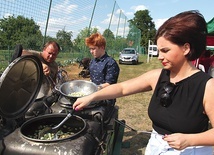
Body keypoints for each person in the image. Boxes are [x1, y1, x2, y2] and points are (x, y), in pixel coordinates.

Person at [73, 10, 214, 154]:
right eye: (159, 51)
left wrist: (189, 140)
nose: (159, 56)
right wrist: (91, 96)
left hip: (190, 150)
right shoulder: (157, 76)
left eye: (165, 50)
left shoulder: (207, 86)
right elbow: (122, 88)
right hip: (156, 147)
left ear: (186, 48)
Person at [85, 33, 120, 110]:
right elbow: (92, 78)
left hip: (106, 99)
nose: (91, 51)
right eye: (90, 49)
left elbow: (110, 84)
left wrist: (95, 88)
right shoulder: (93, 61)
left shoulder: (110, 63)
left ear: (102, 47)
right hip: (94, 96)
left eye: (93, 49)